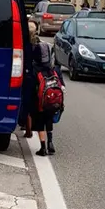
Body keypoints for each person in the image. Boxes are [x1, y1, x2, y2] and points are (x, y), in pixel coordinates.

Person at [27, 22, 65, 156]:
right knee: (48, 121)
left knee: (40, 123)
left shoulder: (34, 71)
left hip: (39, 102)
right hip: (51, 102)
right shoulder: (52, 70)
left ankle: (43, 147)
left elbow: (31, 88)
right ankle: (50, 143)